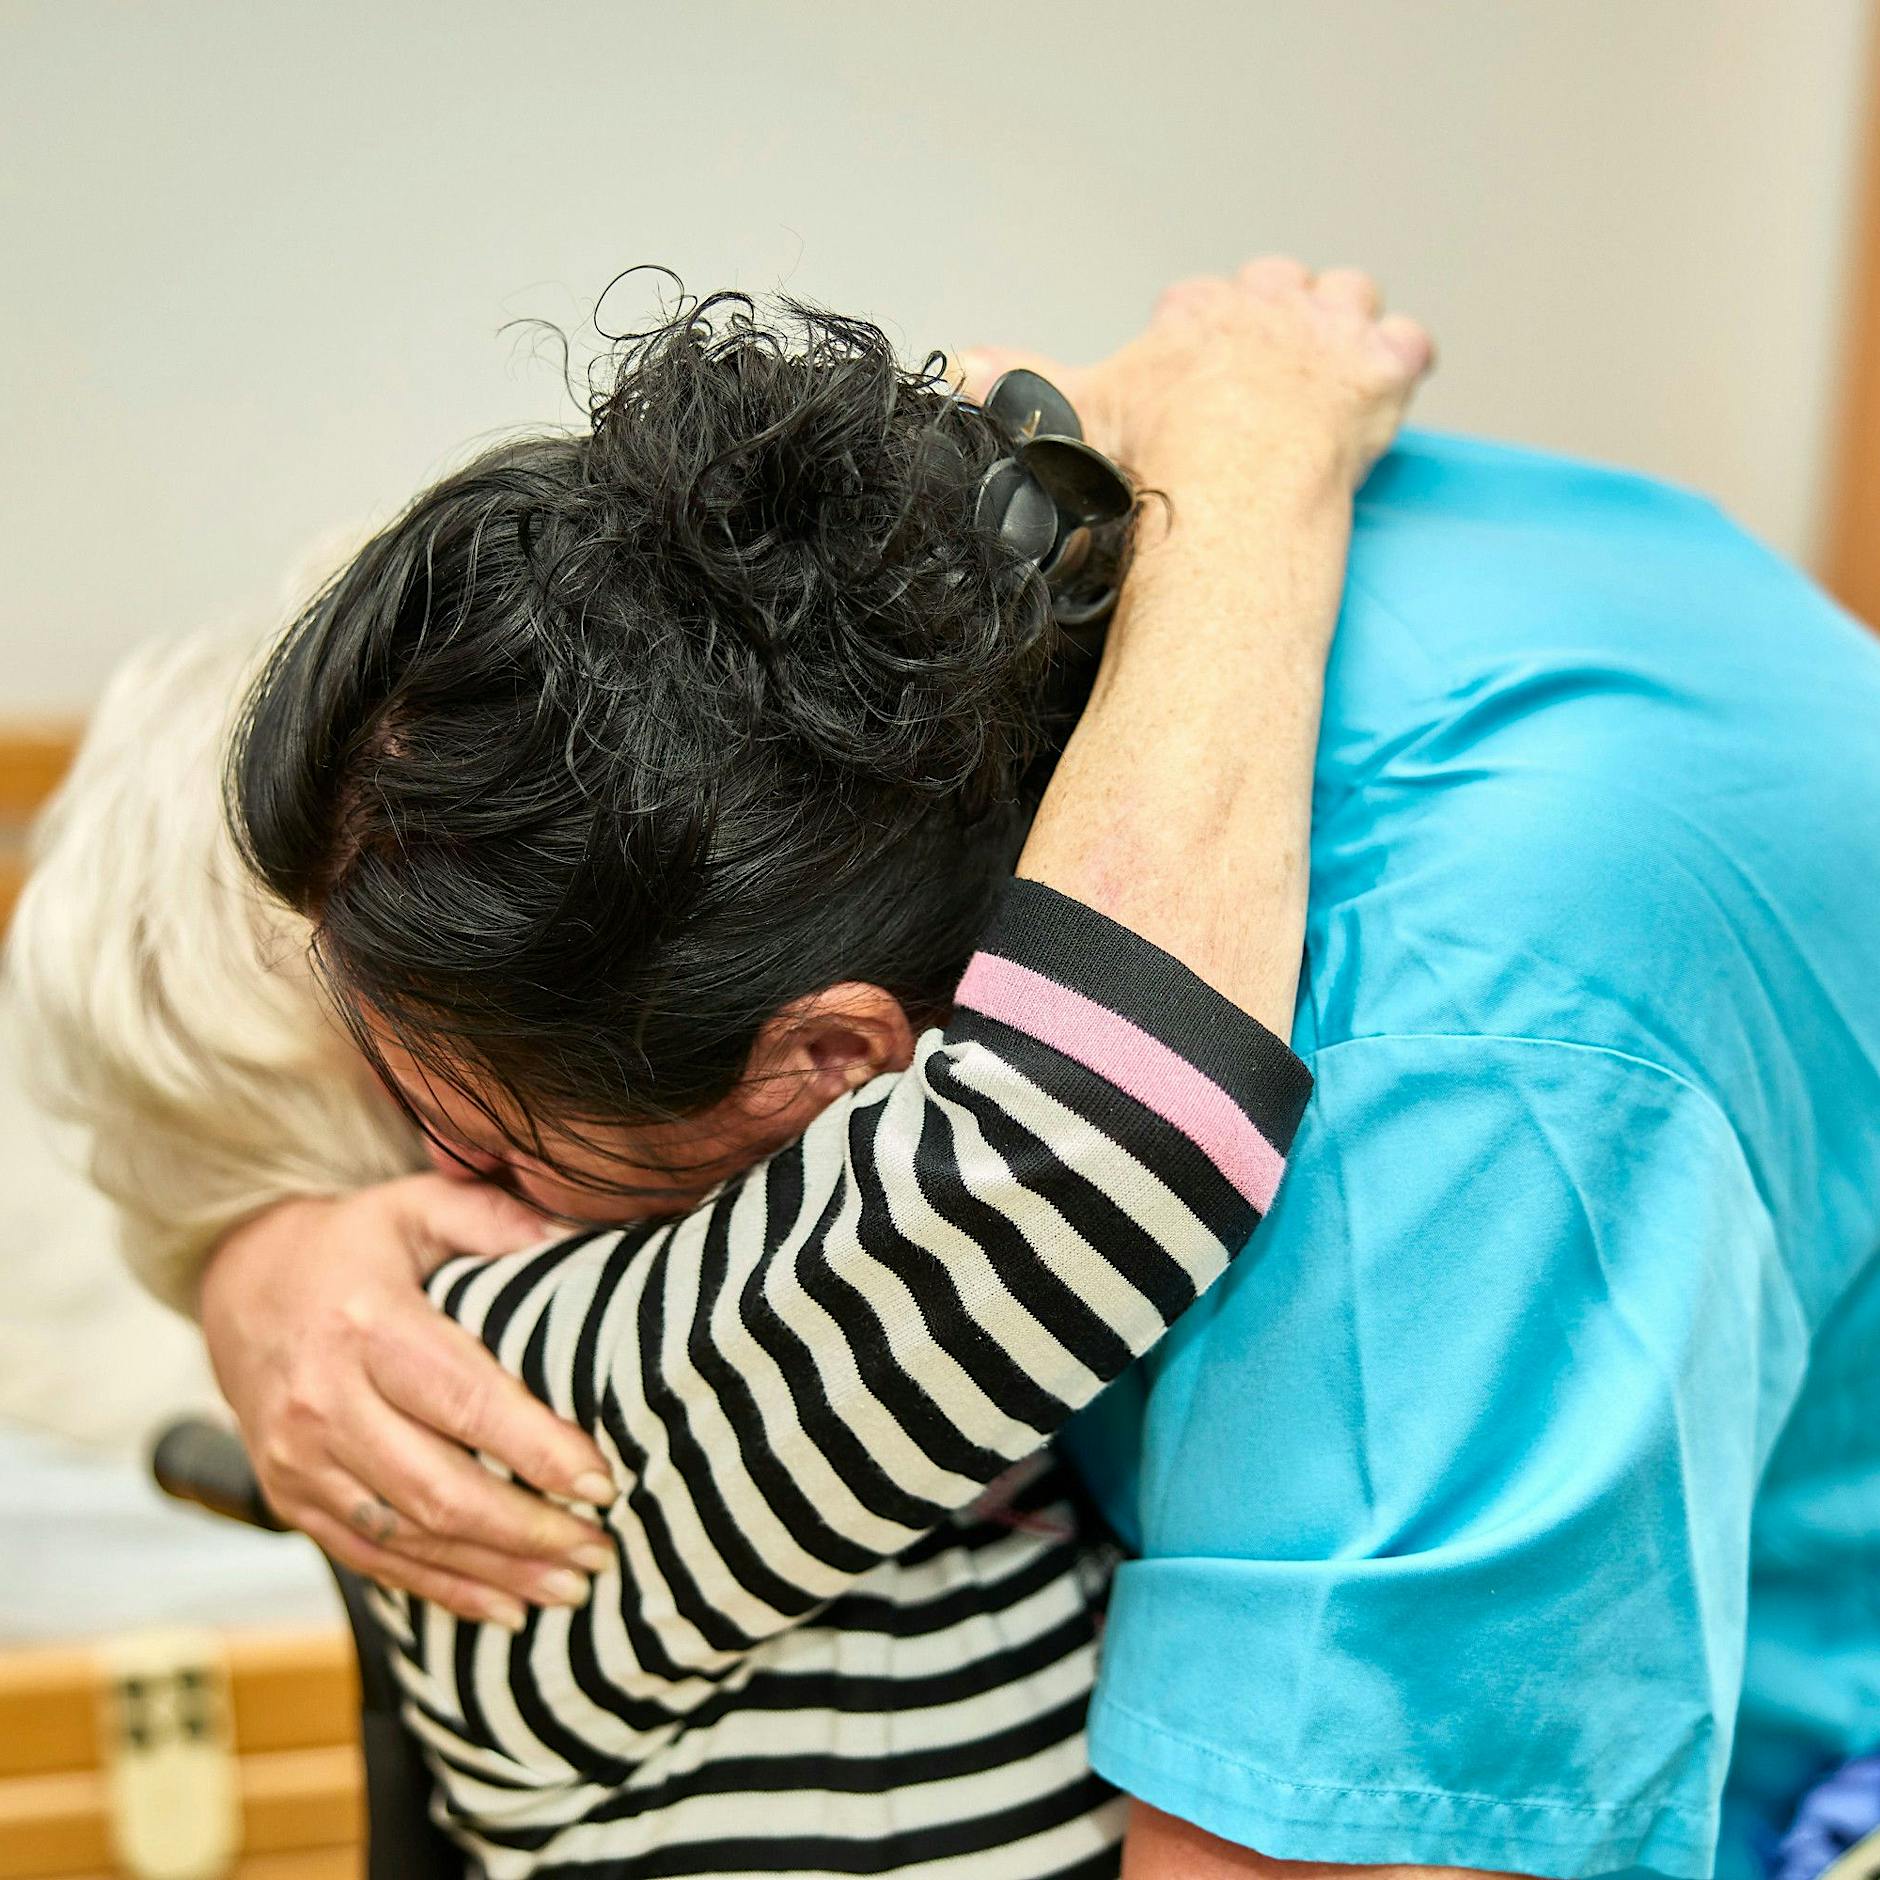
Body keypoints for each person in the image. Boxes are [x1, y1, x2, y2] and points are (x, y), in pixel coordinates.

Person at [16, 251, 1880, 1880]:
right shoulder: (528, 1393)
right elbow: (1085, 1132)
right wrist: (1243, 459)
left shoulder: (1437, 1076)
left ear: (835, 1066)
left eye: (480, 1126)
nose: (480, 1191)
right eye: (443, 1137)